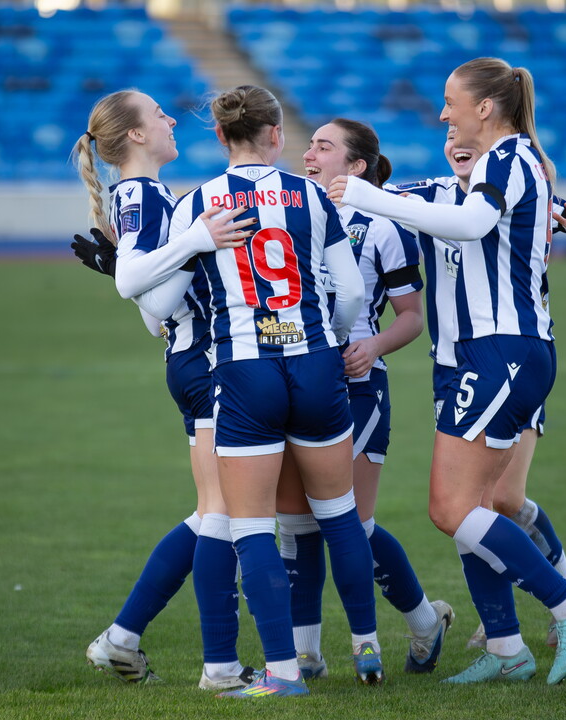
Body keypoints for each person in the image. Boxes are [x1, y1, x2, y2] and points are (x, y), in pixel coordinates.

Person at [328, 58, 566, 686]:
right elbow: (416, 208)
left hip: (500, 350)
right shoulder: (475, 174)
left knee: (451, 507)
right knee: (476, 506)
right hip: (470, 359)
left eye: (451, 102)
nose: (442, 115)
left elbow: (473, 223)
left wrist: (368, 194)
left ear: (485, 108)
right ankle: (506, 647)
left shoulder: (510, 158)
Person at [159, 85, 378, 699]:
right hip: (315, 363)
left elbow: (161, 305)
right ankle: (367, 647)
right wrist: (330, 337)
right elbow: (352, 294)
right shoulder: (312, 194)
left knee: (251, 527)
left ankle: (282, 673)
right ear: (277, 135)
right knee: (339, 514)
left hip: (244, 371)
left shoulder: (197, 203)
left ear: (220, 136)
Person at [391, 128, 566, 650]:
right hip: (459, 365)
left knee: (497, 499)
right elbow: (376, 200)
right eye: (449, 136)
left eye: (467, 136)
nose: (456, 141)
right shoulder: (430, 194)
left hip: (508, 360)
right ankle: (506, 631)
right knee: (484, 501)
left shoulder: (517, 184)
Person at [70, 88, 261, 691]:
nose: (171, 118)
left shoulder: (141, 195)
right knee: (225, 515)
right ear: (134, 135)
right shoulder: (145, 194)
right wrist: (197, 242)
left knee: (213, 512)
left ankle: (123, 639)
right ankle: (221, 668)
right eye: (158, 114)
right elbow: (140, 288)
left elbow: (154, 313)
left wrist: (165, 257)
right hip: (208, 363)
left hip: (188, 362)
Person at [274, 118, 453, 680]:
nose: (309, 154)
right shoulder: (293, 210)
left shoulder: (383, 225)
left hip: (357, 385)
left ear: (355, 166)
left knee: (351, 522)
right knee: (296, 523)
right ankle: (306, 655)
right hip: (296, 375)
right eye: (309, 145)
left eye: (323, 147)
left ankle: (423, 623)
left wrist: (371, 346)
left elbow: (412, 317)